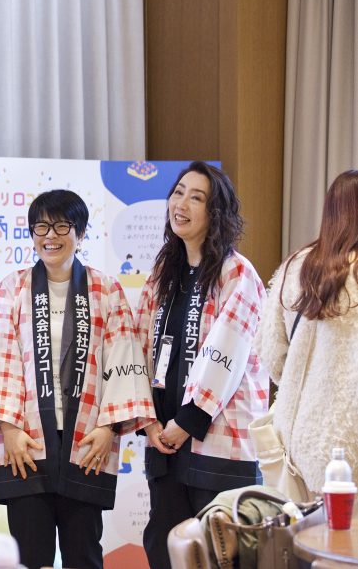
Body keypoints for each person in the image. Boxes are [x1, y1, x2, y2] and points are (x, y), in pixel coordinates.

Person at [0, 189, 156, 569]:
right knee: (29, 556)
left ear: (80, 233)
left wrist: (108, 428)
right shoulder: (13, 288)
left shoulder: (106, 289)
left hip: (86, 442)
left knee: (84, 555)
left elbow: (123, 359)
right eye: (41, 227)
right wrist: (8, 429)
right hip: (26, 443)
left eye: (61, 226)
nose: (50, 236)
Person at [134, 161, 268, 569]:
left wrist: (187, 420)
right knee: (165, 550)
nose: (182, 204)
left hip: (218, 444)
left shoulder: (236, 272)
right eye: (178, 193)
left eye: (196, 198)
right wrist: (149, 421)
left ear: (216, 213)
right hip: (165, 442)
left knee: (220, 555)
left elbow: (227, 353)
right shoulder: (164, 272)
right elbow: (140, 344)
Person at [254, 170, 358, 493]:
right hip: (350, 439)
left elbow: (270, 353)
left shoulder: (295, 266)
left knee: (298, 526)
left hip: (296, 440)